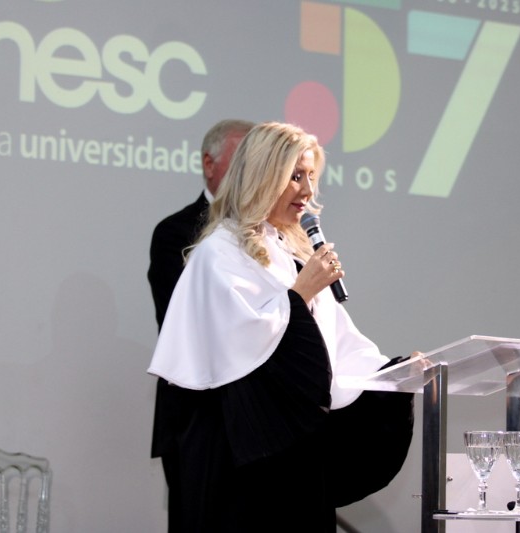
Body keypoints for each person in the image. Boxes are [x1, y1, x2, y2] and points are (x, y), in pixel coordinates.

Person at [147, 121, 415, 532]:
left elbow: (337, 343)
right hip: (240, 457)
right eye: (295, 176)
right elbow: (244, 350)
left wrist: (393, 374)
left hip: (295, 448)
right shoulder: (217, 252)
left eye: (311, 176)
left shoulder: (289, 252)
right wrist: (301, 292)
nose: (308, 190)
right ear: (262, 175)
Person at [147, 119, 254, 531]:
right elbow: (186, 326)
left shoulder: (270, 233)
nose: (250, 171)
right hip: (199, 419)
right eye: (241, 160)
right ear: (209, 164)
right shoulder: (176, 233)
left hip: (259, 420)